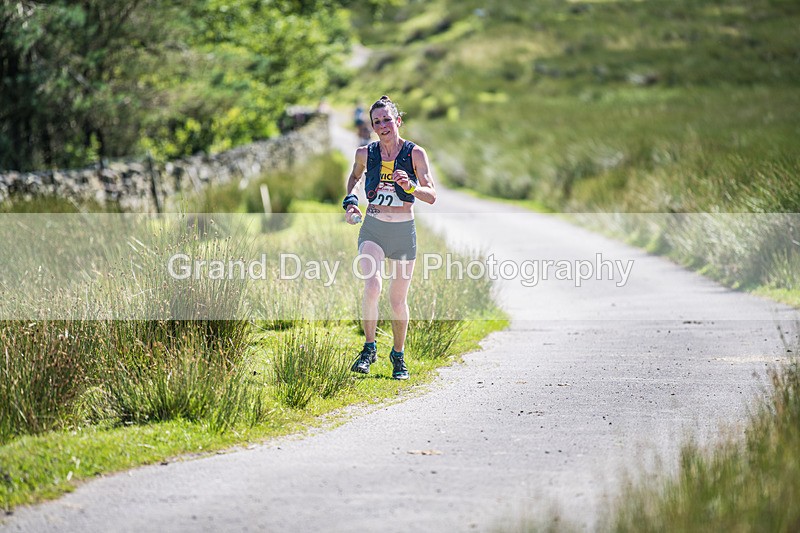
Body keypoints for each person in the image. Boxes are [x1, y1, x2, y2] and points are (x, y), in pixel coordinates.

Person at [342, 95, 437, 379]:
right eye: (376, 122)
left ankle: (398, 356)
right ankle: (369, 348)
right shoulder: (365, 153)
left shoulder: (414, 154)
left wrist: (412, 186)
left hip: (403, 232)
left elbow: (431, 195)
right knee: (372, 287)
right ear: (372, 126)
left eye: (387, 120)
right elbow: (354, 180)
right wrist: (350, 203)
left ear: (398, 121)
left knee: (398, 301)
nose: (382, 126)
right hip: (373, 228)